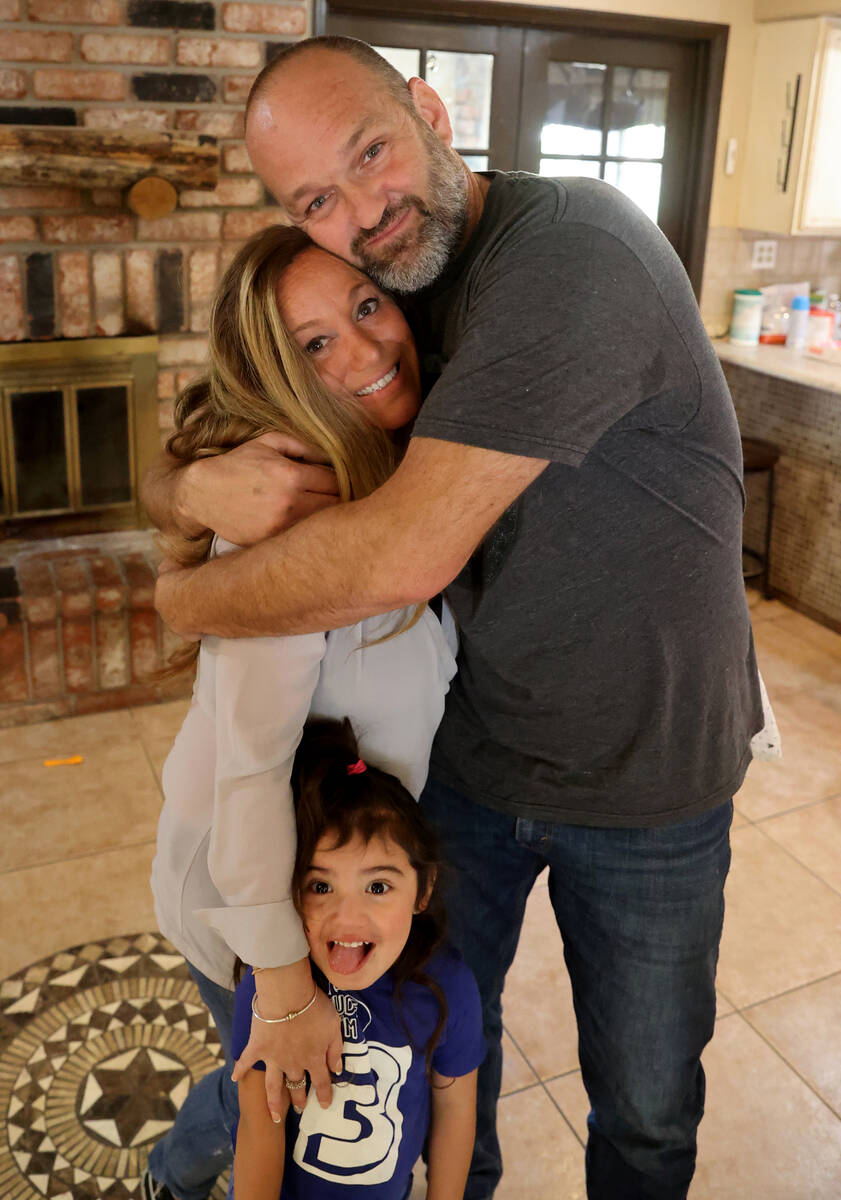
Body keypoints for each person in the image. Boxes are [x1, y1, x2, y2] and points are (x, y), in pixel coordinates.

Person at [146, 36, 764, 1200]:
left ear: (431, 110)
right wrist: (176, 490)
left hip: (649, 783)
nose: (364, 212)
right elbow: (247, 406)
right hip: (473, 775)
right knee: (427, 1060)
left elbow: (404, 553)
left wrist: (178, 595)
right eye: (315, 199)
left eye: (370, 152)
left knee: (643, 1105)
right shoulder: (406, 295)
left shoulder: (567, 251)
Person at [143, 222, 458, 1200]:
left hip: (334, 869)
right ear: (281, 375)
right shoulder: (288, 510)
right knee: (267, 1092)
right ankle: (173, 1174)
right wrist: (279, 982)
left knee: (265, 1082)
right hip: (260, 894)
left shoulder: (394, 467)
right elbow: (248, 765)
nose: (363, 349)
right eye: (316, 343)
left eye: (366, 306)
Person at [231, 717, 484, 1199]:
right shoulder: (267, 988)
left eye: (378, 886)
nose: (348, 917)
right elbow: (258, 1126)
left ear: (423, 890)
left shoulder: (450, 985)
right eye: (321, 886)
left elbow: (455, 1111)